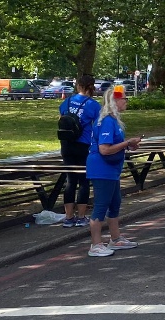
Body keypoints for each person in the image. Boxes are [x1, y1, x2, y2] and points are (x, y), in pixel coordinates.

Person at [85, 85, 141, 257]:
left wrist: (126, 146)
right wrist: (127, 143)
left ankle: (115, 239)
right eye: (124, 98)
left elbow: (113, 147)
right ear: (115, 100)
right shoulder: (108, 121)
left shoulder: (112, 120)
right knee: (101, 206)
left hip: (111, 169)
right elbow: (104, 149)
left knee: (115, 202)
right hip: (103, 169)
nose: (126, 101)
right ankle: (95, 244)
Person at [58, 74, 101, 227]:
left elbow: (60, 120)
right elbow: (97, 127)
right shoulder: (94, 105)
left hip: (66, 145)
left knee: (70, 181)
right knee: (83, 181)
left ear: (78, 86)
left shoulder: (67, 101)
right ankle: (81, 217)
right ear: (92, 87)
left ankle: (68, 218)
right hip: (83, 145)